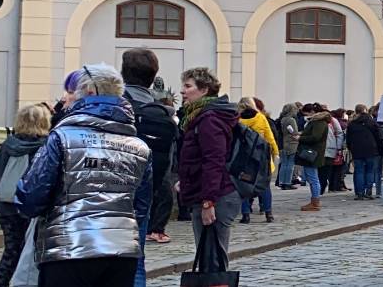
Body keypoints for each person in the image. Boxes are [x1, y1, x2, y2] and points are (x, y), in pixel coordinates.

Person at [14, 64, 151, 287]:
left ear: (89, 92)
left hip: (69, 248)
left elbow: (31, 197)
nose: (67, 98)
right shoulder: (139, 147)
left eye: (71, 92)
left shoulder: (62, 137)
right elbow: (141, 208)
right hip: (122, 251)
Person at [176, 67, 241, 275]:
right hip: (208, 192)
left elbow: (214, 161)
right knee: (208, 258)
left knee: (212, 261)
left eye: (188, 86)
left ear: (204, 90)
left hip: (217, 196)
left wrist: (208, 202)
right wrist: (185, 180)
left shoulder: (209, 118)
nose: (182, 91)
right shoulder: (200, 116)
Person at [118, 49, 177, 246]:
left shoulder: (118, 106)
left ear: (123, 72)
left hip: (117, 190)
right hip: (149, 189)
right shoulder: (163, 113)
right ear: (153, 77)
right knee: (136, 252)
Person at [0, 104, 51, 287]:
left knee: (11, 250)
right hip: (33, 208)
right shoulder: (46, 145)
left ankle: (0, 283)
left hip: (7, 206)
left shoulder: (9, 144)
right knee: (34, 251)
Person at [235, 97, 278, 222]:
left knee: (244, 184)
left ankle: (246, 214)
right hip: (261, 156)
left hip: (244, 156)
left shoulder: (238, 120)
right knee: (264, 185)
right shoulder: (260, 118)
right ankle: (268, 213)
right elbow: (269, 137)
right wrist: (275, 151)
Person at [296, 104, 331, 211]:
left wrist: (300, 137)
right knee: (312, 178)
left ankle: (315, 201)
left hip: (312, 154)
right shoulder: (319, 122)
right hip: (313, 153)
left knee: (313, 178)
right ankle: (314, 200)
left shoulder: (319, 122)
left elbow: (315, 137)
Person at [345, 104, 383, 200]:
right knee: (370, 171)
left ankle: (360, 193)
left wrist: (351, 149)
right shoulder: (372, 123)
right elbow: (378, 137)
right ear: (365, 111)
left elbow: (348, 139)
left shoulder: (352, 124)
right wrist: (380, 149)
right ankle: (368, 191)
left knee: (359, 171)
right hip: (371, 150)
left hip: (357, 150)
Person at [278, 103, 302, 191]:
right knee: (290, 164)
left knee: (284, 163)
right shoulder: (291, 120)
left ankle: (282, 182)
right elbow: (294, 133)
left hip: (283, 143)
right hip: (291, 143)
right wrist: (301, 133)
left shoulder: (282, 119)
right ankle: (287, 182)